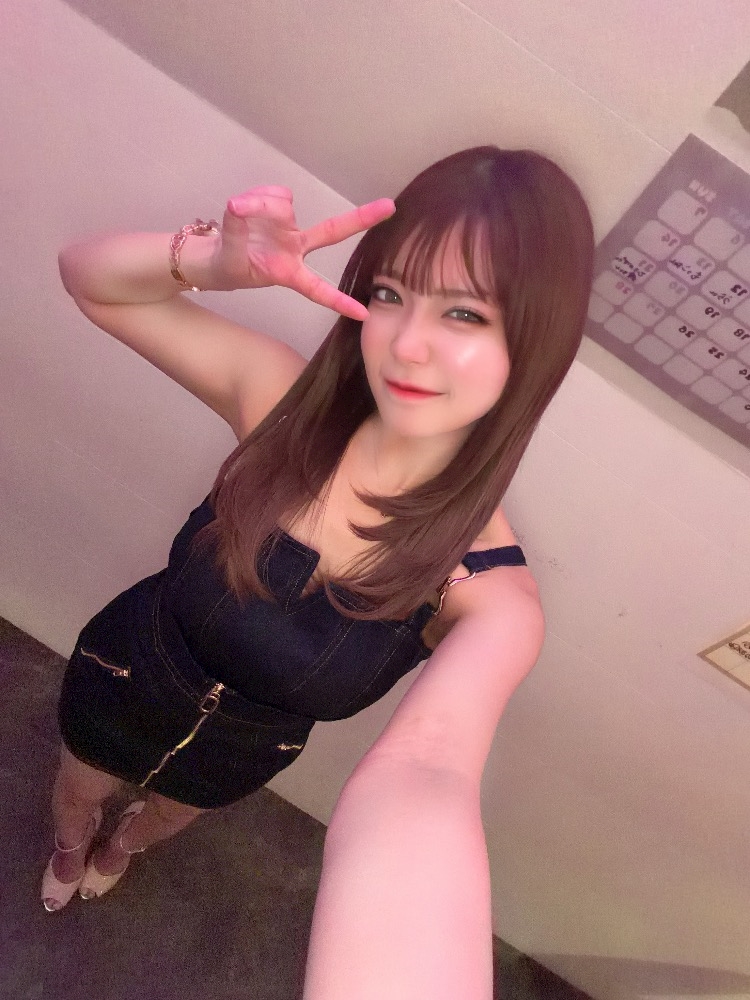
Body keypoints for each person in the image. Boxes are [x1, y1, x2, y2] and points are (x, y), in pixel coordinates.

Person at [42, 146, 593, 996]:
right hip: (124, 671)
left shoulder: (488, 594)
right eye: (391, 294)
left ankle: (118, 850)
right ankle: (71, 845)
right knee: (75, 788)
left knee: (163, 820)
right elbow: (89, 279)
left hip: (241, 752)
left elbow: (429, 773)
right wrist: (213, 265)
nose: (407, 345)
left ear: (536, 345)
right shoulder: (280, 401)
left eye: (465, 314)